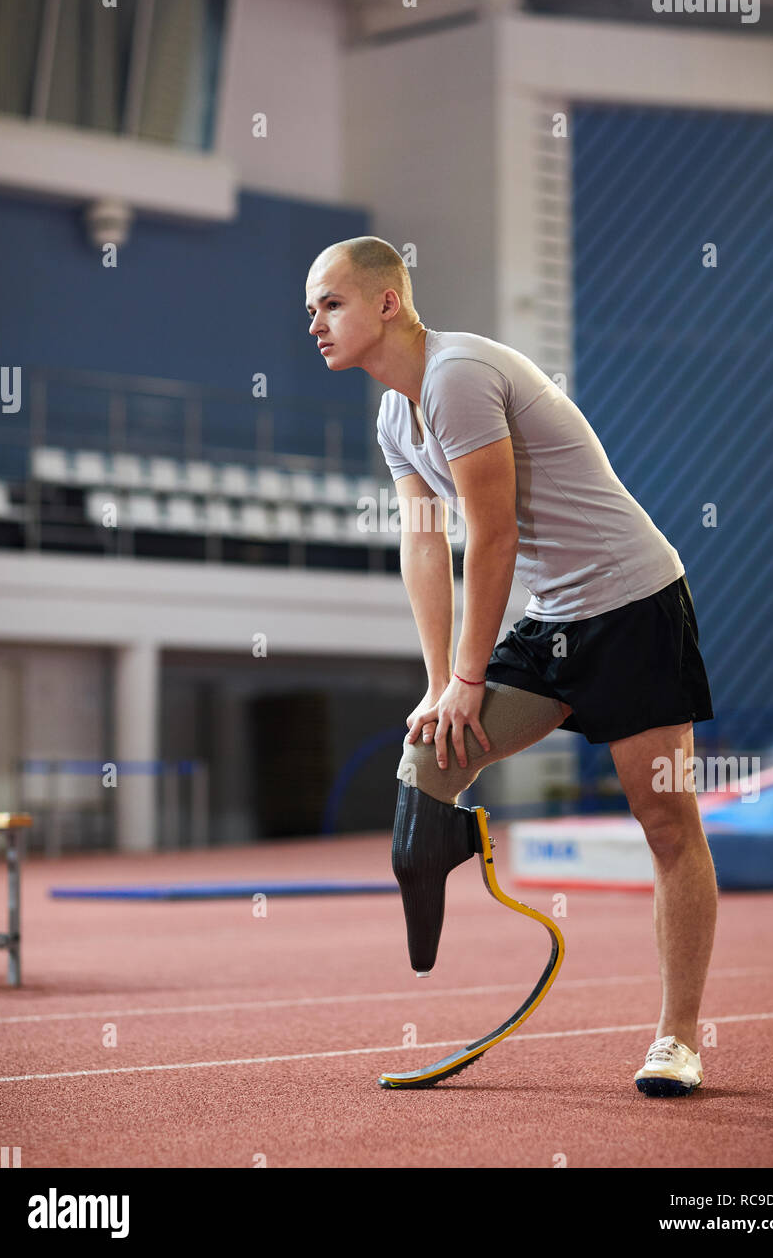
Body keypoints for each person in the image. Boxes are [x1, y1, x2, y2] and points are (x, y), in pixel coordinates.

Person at [305, 235, 716, 1097]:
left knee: (666, 822)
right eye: (310, 310)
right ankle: (436, 919)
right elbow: (424, 547)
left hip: (635, 604)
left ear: (387, 302)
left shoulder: (456, 374)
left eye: (330, 303)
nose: (315, 323)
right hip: (553, 622)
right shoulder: (393, 414)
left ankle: (678, 1039)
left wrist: (469, 677)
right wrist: (438, 685)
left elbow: (491, 536)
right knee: (429, 758)